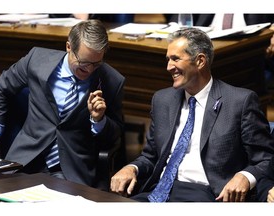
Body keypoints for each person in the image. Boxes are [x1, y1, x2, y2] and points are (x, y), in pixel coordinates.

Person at [110, 27, 274, 202]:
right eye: (167, 60)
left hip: (205, 194)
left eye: (175, 59)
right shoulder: (162, 100)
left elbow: (265, 159)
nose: (168, 67)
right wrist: (132, 168)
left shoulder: (239, 102)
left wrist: (245, 176)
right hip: (157, 191)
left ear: (200, 61)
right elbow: (151, 157)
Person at [0, 19, 125, 191]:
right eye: (83, 63)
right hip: (25, 159)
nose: (89, 70)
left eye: (96, 64)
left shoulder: (112, 80)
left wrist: (99, 120)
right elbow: (3, 86)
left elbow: (115, 134)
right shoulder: (37, 59)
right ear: (68, 47)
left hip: (71, 169)